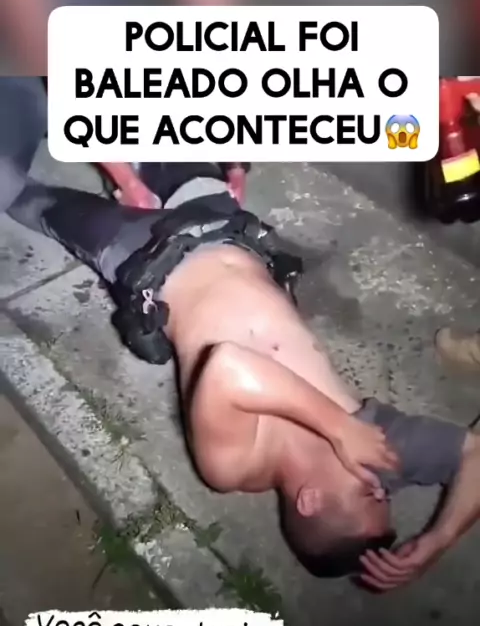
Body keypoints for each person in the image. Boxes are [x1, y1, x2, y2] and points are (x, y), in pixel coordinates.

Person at [8, 162, 480, 592]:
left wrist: (340, 428)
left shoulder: (237, 466)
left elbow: (228, 366)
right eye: (384, 493)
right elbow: (474, 453)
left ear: (310, 500)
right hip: (221, 225)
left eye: (369, 496)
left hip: (144, 254)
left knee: (25, 198)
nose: (381, 486)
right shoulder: (374, 450)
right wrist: (440, 538)